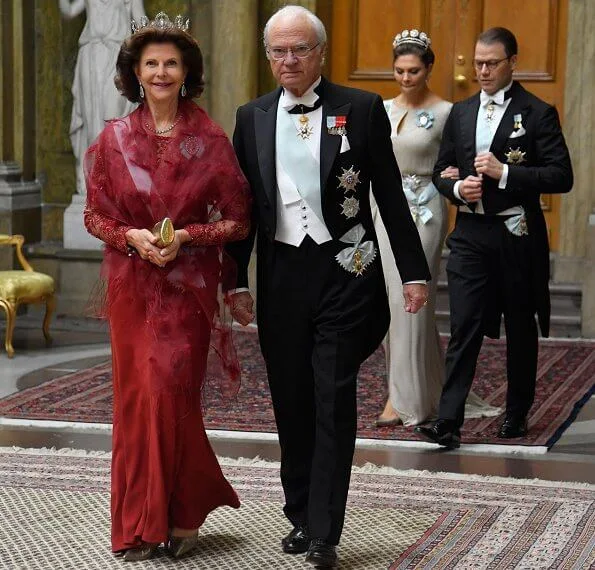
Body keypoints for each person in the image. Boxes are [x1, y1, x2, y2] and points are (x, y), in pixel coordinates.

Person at [226, 6, 430, 568]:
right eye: (279, 51)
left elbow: (389, 193)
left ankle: (325, 530)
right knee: (290, 399)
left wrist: (414, 272)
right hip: (281, 275)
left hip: (347, 272)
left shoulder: (359, 109)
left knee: (331, 397)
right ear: (268, 57)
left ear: (320, 53)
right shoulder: (251, 116)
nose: (288, 60)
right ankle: (299, 514)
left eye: (299, 49)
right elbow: (243, 208)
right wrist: (233, 280)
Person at [83, 12, 251, 561]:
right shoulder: (113, 139)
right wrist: (130, 235)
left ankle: (180, 514)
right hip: (133, 291)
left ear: (186, 72)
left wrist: (186, 236)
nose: (160, 72)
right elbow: (93, 215)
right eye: (150, 63)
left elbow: (238, 219)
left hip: (186, 294)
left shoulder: (210, 138)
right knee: (136, 402)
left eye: (170, 63)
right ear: (134, 72)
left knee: (171, 397)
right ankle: (139, 522)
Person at [415, 27, 573, 450]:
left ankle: (517, 412)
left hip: (516, 233)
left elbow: (562, 176)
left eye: (492, 63)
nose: (482, 70)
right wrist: (454, 190)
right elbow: (441, 169)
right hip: (469, 234)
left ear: (512, 63)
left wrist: (506, 172)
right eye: (478, 62)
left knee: (519, 325)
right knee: (463, 322)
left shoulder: (538, 113)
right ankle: (448, 420)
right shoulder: (461, 113)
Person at [373, 30, 501, 427]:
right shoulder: (380, 108)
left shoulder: (447, 111)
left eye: (414, 71)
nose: (406, 78)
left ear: (428, 68)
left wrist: (455, 176)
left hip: (423, 209)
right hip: (383, 208)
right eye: (399, 71)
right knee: (385, 299)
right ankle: (417, 385)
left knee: (411, 299)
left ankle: (403, 400)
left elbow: (460, 159)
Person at [59, 0, 146, 194]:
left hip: (118, 56)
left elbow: (141, 23)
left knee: (114, 120)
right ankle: (94, 185)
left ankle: (117, 183)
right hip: (91, 55)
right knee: (93, 124)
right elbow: (69, 12)